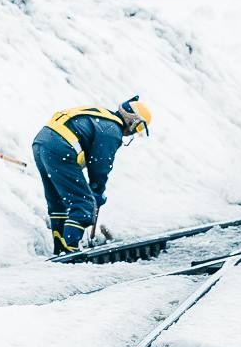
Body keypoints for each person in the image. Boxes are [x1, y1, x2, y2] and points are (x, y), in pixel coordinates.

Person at [31, 98, 151, 254]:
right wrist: (97, 190)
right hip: (60, 146)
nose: (133, 133)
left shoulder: (103, 117)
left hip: (41, 143)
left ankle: (60, 247)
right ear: (132, 121)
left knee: (58, 200)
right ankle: (70, 247)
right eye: (138, 127)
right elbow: (100, 164)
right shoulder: (112, 130)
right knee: (84, 204)